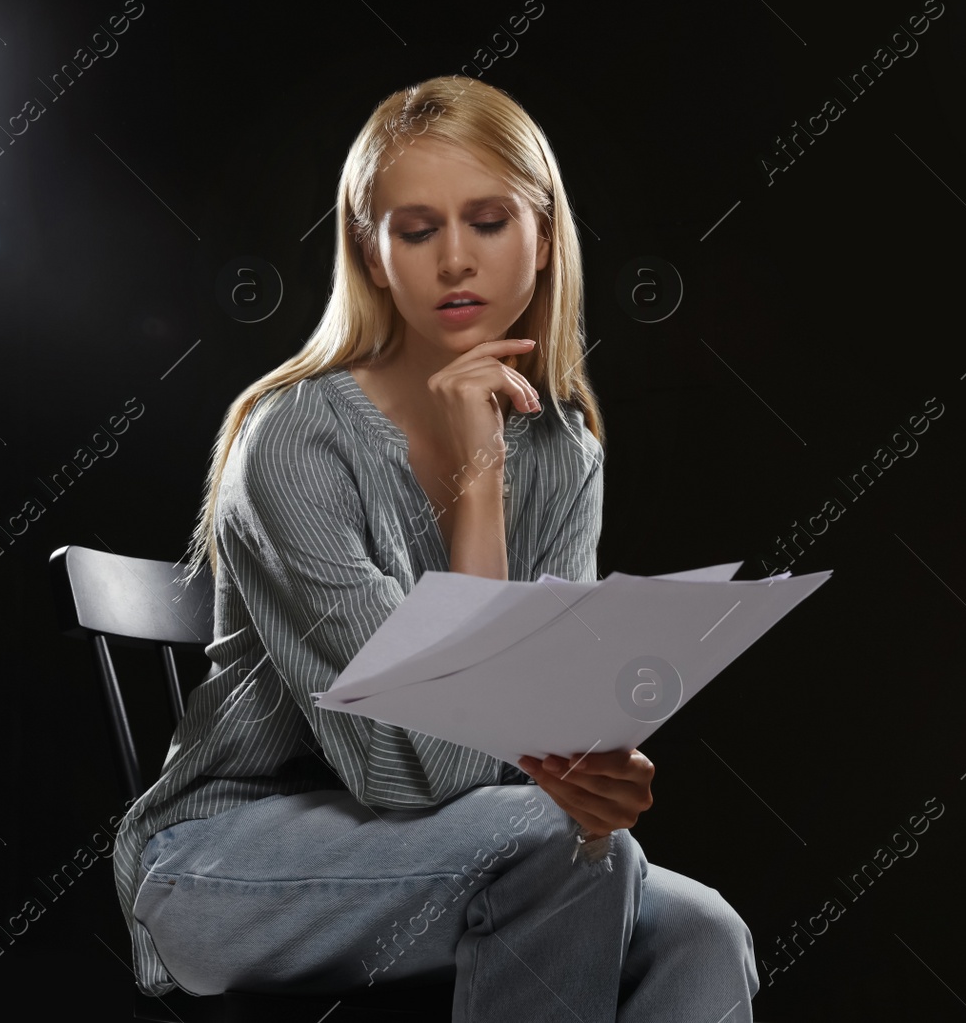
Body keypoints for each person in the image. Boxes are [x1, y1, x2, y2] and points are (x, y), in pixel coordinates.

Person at [111, 74, 760, 1021]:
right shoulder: (294, 441)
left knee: (704, 929)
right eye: (416, 231)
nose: (455, 259)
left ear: (542, 238)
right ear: (373, 257)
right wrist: (478, 477)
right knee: (552, 837)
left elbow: (530, 733)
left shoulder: (565, 452)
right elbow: (422, 772)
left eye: (489, 220)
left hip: (463, 844)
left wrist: (592, 767)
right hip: (225, 868)